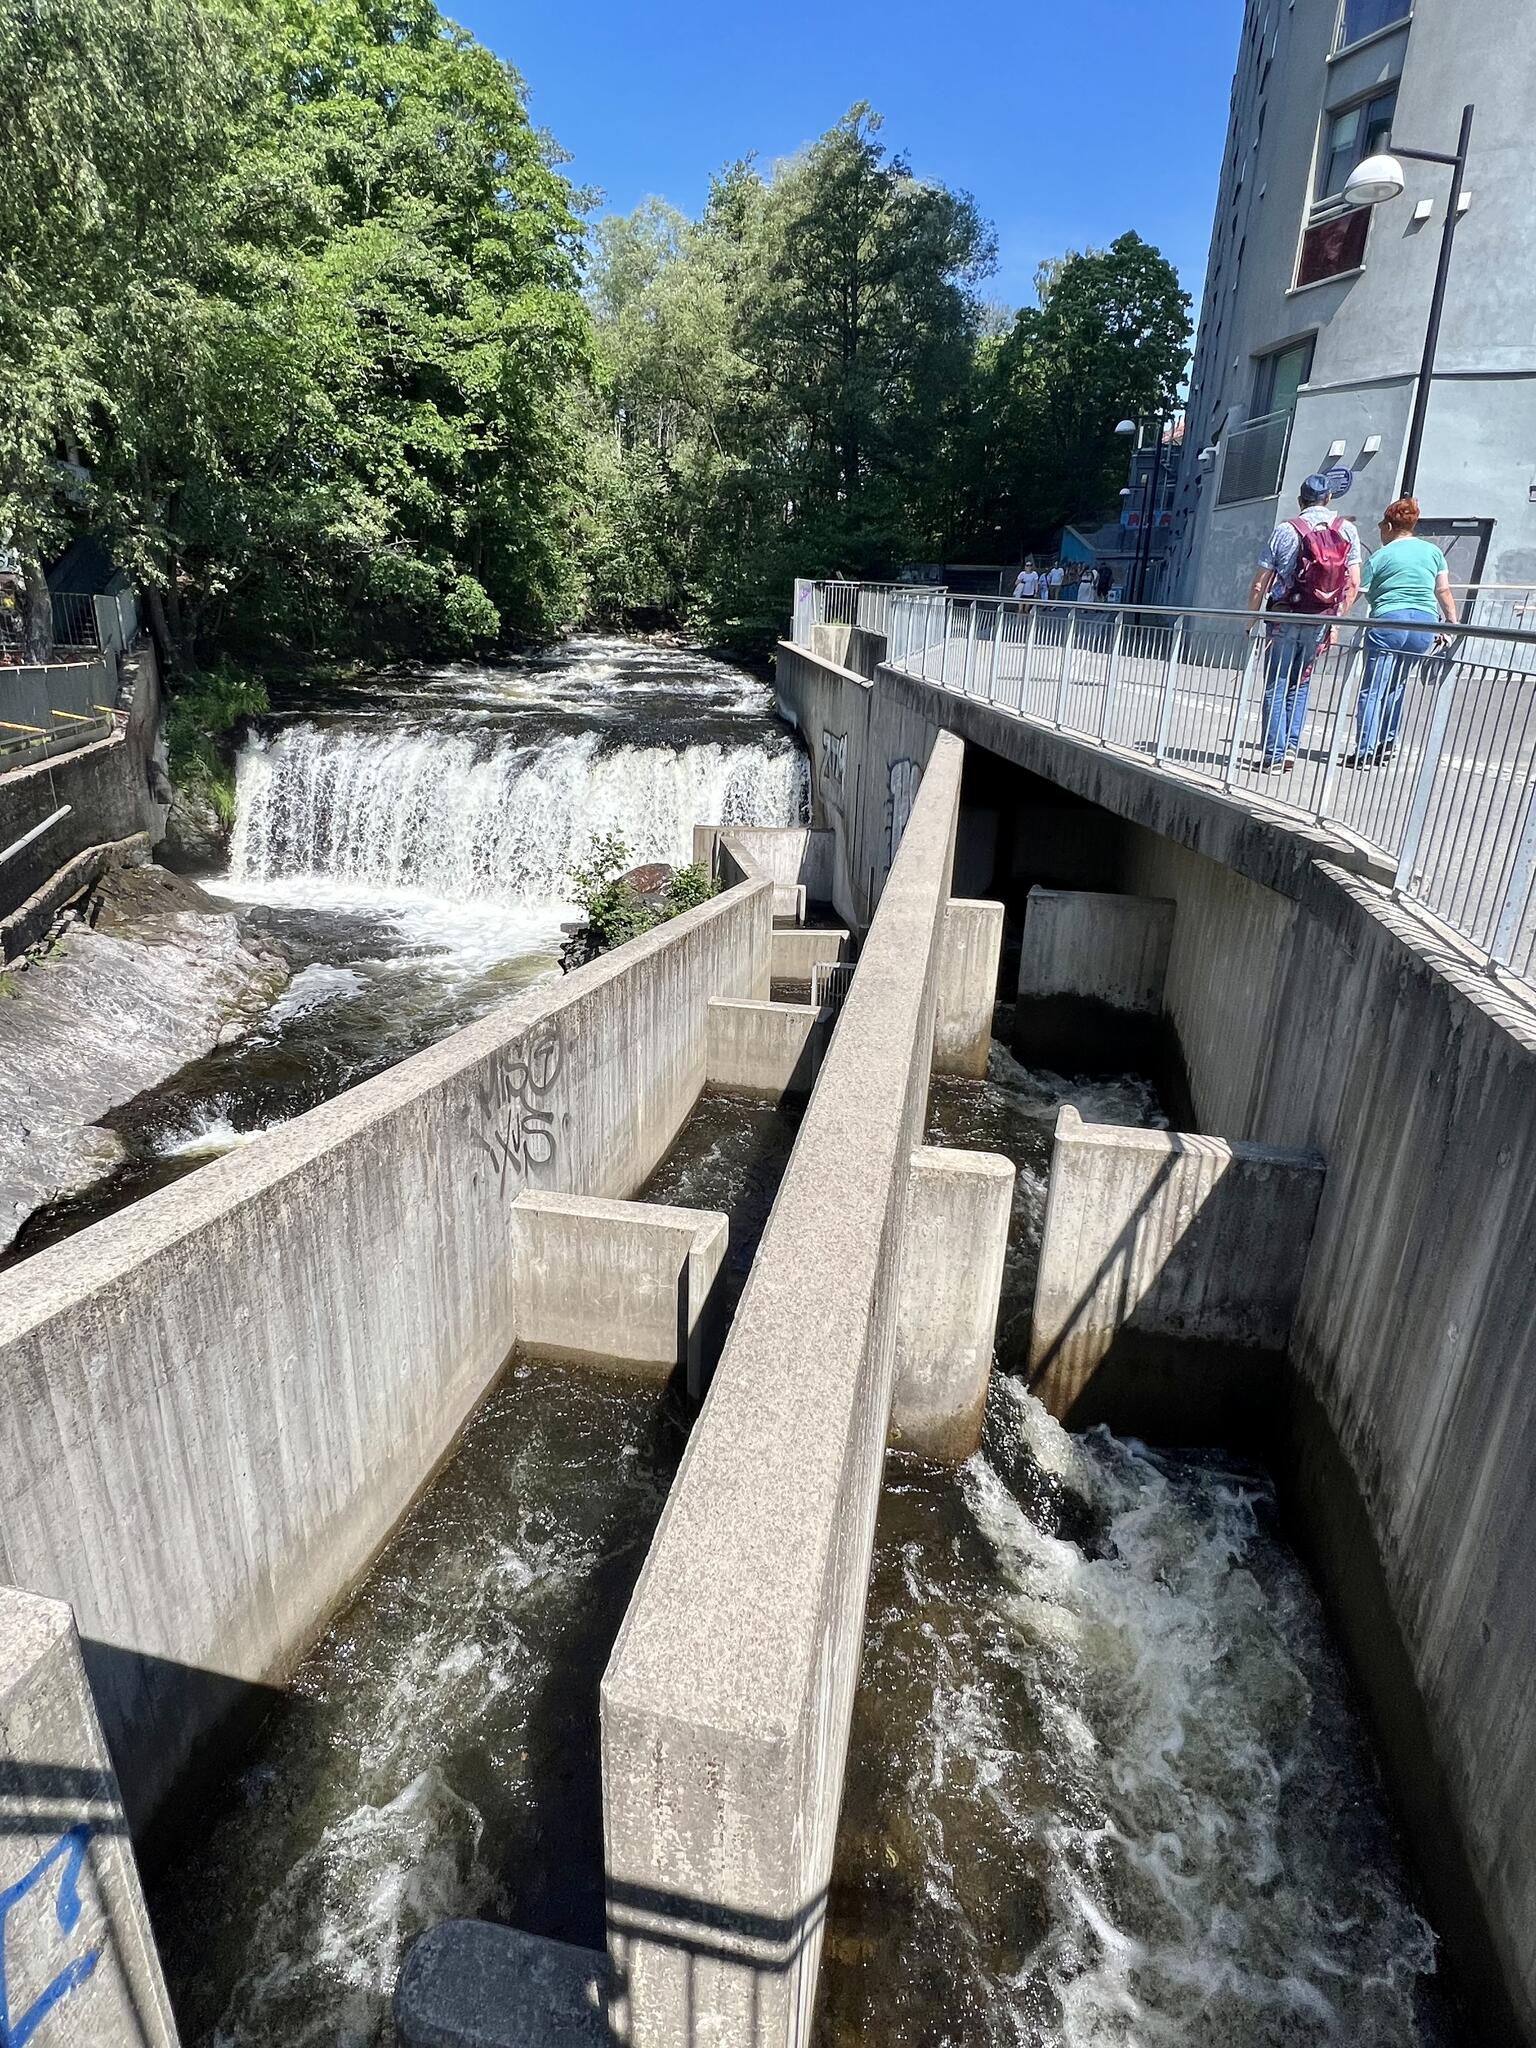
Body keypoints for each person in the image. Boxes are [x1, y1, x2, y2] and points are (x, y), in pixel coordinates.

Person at [1247, 473, 1362, 772]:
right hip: (1320, 619)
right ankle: (1290, 750)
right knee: (1300, 683)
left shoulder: (1285, 530)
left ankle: (1273, 754)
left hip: (1284, 617)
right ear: (1329, 499)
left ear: (1300, 501)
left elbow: (1260, 583)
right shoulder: (1346, 530)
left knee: (1277, 684)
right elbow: (1353, 585)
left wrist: (1251, 620)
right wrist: (1334, 623)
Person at [1350, 496, 1457, 766]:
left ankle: (1364, 751)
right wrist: (1451, 623)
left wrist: (1334, 617)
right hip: (1424, 624)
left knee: (1373, 689)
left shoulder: (1381, 556)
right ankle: (1387, 744)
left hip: (1388, 622)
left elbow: (1357, 593)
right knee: (1397, 686)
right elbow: (1442, 589)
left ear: (1388, 526)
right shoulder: (1433, 552)